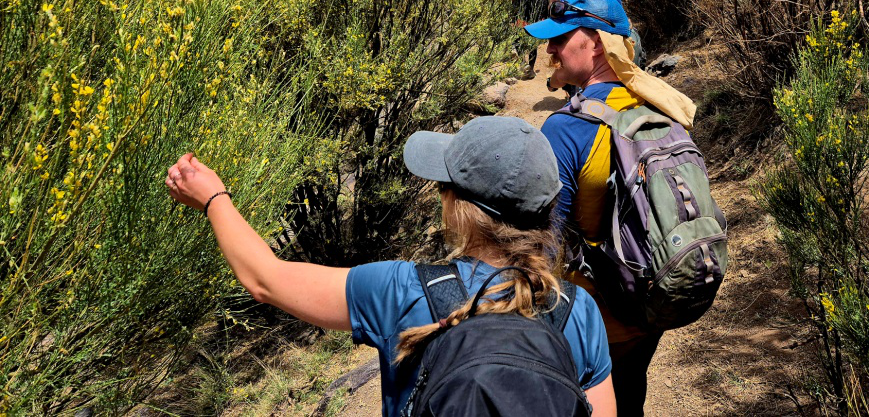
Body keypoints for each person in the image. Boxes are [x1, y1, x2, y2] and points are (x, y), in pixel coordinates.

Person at [164, 116, 615, 417]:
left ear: (456, 204)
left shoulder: (402, 289)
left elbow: (264, 279)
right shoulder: (576, 310)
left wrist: (212, 198)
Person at [524, 0, 697, 417]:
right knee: (630, 397)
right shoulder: (658, 106)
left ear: (597, 44)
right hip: (649, 302)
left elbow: (546, 244)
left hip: (593, 317)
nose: (550, 48)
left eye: (561, 38)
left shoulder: (566, 128)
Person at [512, 0, 548, 78]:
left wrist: (513, 18)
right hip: (536, 20)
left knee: (518, 42)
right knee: (533, 46)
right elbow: (545, 4)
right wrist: (544, 20)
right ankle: (530, 69)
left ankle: (523, 64)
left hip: (522, 19)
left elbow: (516, 4)